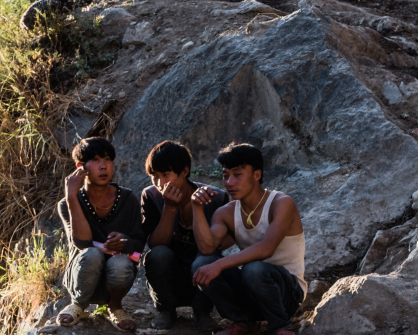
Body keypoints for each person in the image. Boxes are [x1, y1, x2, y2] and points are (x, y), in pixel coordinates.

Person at [189, 142, 306, 335]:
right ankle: (244, 323)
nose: (229, 182)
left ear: (257, 175)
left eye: (237, 175)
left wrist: (219, 265)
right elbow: (207, 248)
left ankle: (282, 327)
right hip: (253, 292)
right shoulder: (225, 213)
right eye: (225, 176)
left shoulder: (281, 203)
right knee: (201, 263)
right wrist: (197, 207)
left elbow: (266, 248)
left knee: (253, 269)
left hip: (287, 295)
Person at [57, 136, 149, 329]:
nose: (103, 166)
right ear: (80, 167)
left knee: (121, 262)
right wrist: (72, 198)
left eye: (107, 160)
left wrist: (125, 242)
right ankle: (78, 304)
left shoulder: (128, 199)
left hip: (116, 277)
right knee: (91, 253)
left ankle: (115, 307)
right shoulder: (68, 204)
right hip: (83, 274)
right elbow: (82, 243)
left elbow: (139, 242)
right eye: (96, 160)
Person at [139, 139, 230, 330]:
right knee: (158, 255)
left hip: (200, 270)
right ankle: (166, 310)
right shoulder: (151, 196)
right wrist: (169, 208)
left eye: (166, 174)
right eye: (154, 176)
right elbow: (156, 243)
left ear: (185, 172)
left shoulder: (214, 198)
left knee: (207, 259)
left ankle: (202, 311)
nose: (159, 182)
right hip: (170, 272)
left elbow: (223, 241)